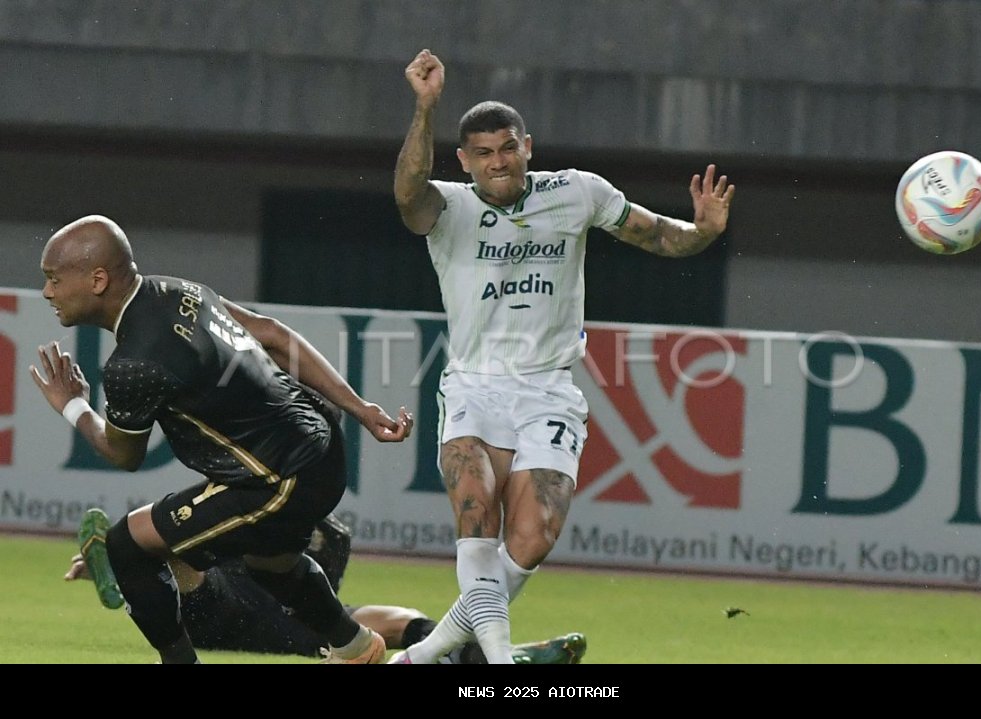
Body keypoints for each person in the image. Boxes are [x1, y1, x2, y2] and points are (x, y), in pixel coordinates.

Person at [391, 49, 736, 664]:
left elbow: (656, 234)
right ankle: (499, 669)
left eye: (507, 148)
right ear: (465, 161)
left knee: (534, 538)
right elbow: (406, 191)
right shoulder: (450, 209)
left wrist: (702, 232)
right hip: (474, 384)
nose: (498, 162)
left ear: (528, 146)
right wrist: (425, 107)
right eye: (483, 153)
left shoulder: (578, 193)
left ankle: (421, 658)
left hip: (549, 389)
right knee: (476, 514)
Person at [31, 214, 414, 664]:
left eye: (55, 279)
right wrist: (360, 408)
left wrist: (72, 405)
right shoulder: (181, 292)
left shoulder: (134, 365)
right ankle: (356, 648)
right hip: (324, 444)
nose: (47, 292)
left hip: (279, 479)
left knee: (127, 546)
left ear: (97, 280)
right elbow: (272, 335)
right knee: (270, 564)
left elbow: (123, 454)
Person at [66, 508, 588, 664]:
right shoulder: (267, 502)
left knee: (401, 617)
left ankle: (504, 657)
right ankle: (121, 559)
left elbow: (320, 592)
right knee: (189, 561)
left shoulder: (329, 532)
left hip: (284, 614)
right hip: (240, 605)